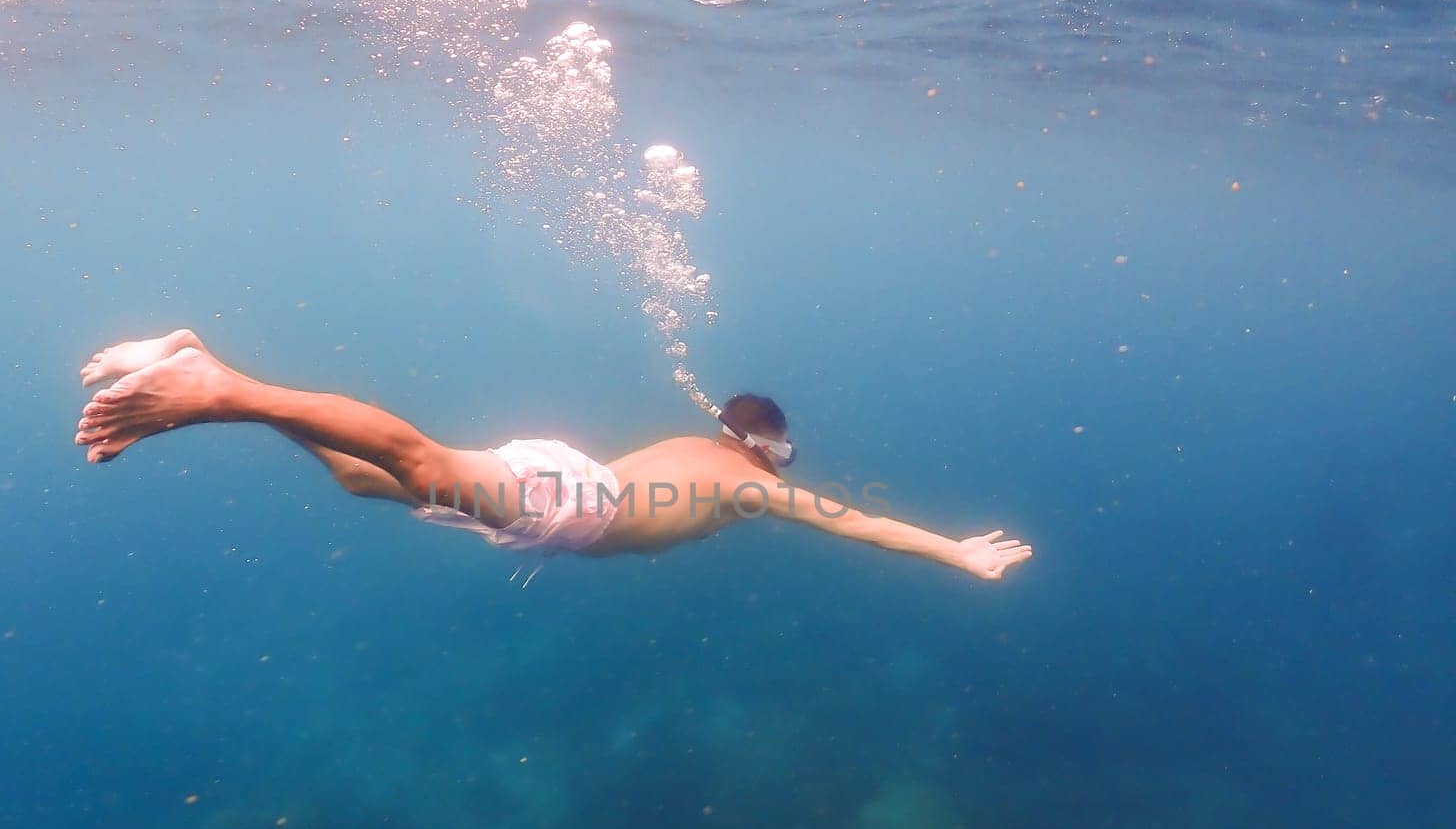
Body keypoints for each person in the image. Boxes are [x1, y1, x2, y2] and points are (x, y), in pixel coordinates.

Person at [75, 329, 1033, 579]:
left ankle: (217, 370)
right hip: (576, 505)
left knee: (361, 476)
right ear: (766, 447)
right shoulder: (750, 485)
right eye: (783, 449)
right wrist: (956, 552)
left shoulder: (709, 447)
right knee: (409, 457)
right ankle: (218, 391)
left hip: (568, 488)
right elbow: (857, 523)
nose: (787, 462)